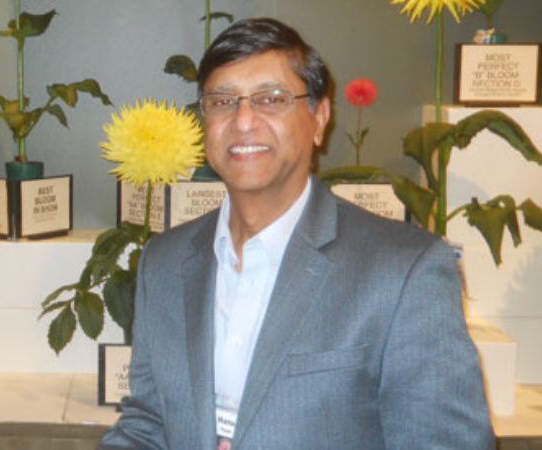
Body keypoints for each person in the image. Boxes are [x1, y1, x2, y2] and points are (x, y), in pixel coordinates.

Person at [99, 18, 494, 449]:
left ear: (319, 118)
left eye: (272, 99)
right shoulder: (163, 261)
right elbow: (147, 423)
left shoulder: (405, 271)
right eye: (222, 101)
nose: (243, 121)